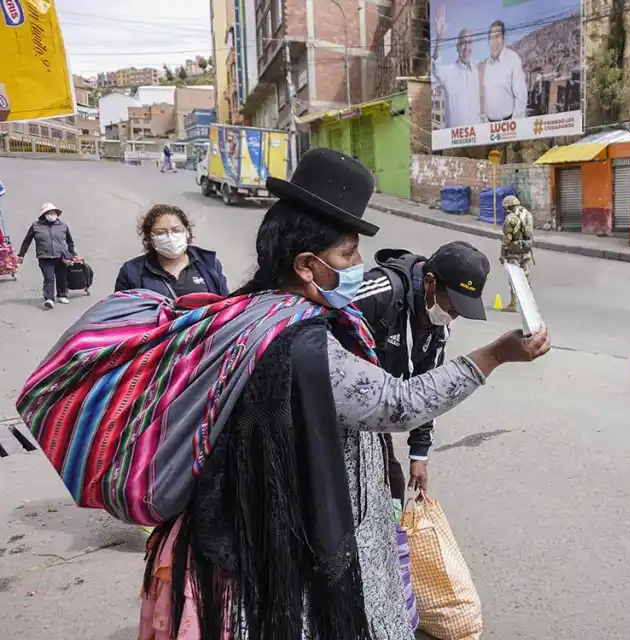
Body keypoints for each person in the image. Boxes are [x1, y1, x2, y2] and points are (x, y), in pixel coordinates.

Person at [135, 148, 549, 640]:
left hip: (261, 522)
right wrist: (496, 355)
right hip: (292, 534)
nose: (358, 266)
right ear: (308, 265)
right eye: (348, 255)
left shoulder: (251, 309)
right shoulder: (302, 341)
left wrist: (418, 453)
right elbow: (398, 402)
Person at [353, 240, 491, 515]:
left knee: (392, 488)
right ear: (429, 283)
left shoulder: (437, 327)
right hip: (337, 412)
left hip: (375, 420)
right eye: (452, 307)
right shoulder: (378, 293)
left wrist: (419, 454)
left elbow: (427, 389)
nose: (452, 317)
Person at [115, 204, 229, 298]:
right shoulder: (131, 272)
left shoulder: (209, 264)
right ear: (150, 238)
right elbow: (121, 315)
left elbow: (226, 307)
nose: (170, 237)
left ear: (187, 232)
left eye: (176, 230)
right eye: (161, 233)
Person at [17, 202, 76, 309]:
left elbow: (70, 241)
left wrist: (72, 254)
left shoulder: (63, 226)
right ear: (44, 214)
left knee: (61, 277)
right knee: (49, 278)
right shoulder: (36, 226)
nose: (52, 215)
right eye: (49, 213)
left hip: (61, 256)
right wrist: (21, 255)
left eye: (54, 213)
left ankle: (62, 295)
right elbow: (27, 241)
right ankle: (49, 298)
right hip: (44, 257)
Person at [432, 4, 482, 128]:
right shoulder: (448, 71)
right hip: (454, 139)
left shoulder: (477, 71)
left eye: (469, 42)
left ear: (473, 46)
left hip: (477, 136)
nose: (466, 47)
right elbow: (436, 64)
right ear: (457, 47)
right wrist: (440, 36)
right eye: (463, 43)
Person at [482, 20, 527, 122]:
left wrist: (515, 127)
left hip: (507, 125)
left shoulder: (513, 58)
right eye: (491, 38)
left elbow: (521, 96)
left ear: (503, 37)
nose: (494, 42)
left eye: (497, 37)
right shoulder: (488, 64)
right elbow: (487, 97)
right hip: (490, 127)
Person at [499, 194, 534, 312]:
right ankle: (528, 304)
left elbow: (507, 238)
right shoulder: (528, 215)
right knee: (527, 277)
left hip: (514, 252)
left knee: (514, 277)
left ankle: (513, 304)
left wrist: (502, 254)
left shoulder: (510, 219)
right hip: (526, 250)